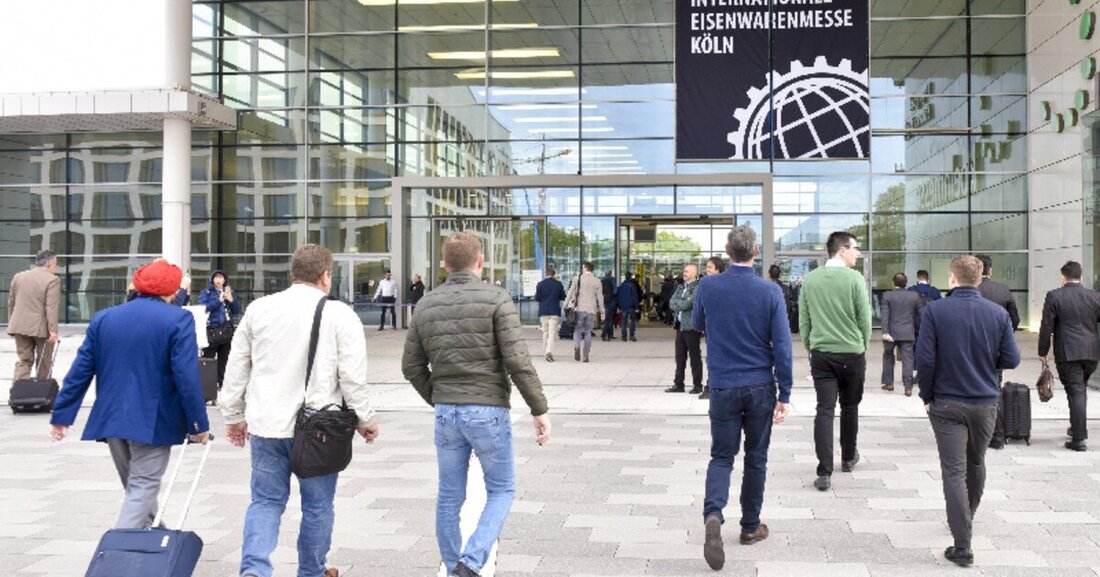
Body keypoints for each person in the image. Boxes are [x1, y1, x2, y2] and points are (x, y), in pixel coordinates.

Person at [220, 244, 379, 577]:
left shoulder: (259, 309)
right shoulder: (340, 314)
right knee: (318, 507)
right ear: (325, 276)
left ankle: (254, 571)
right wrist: (365, 419)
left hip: (267, 426)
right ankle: (311, 571)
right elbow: (351, 376)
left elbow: (236, 368)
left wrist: (234, 416)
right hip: (320, 430)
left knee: (265, 502)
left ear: (293, 273)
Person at [402, 231, 551, 577]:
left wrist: (438, 397)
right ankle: (470, 562)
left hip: (446, 412)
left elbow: (411, 367)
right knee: (501, 489)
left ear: (444, 265)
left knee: (449, 498)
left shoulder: (426, 303)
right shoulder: (497, 299)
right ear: (480, 262)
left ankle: (455, 564)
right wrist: (539, 409)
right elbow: (517, 361)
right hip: (488, 409)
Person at [49, 260, 210, 529]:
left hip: (112, 419)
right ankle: (118, 556)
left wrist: (62, 415)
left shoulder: (105, 318)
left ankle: (153, 539)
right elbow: (186, 376)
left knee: (137, 487)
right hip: (152, 420)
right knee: (142, 486)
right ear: (170, 291)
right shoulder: (178, 318)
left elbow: (81, 370)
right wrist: (198, 425)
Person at [693, 226, 792, 571]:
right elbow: (782, 345)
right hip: (760, 385)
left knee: (721, 456)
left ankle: (713, 514)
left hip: (722, 384)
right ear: (756, 250)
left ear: (726, 250)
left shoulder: (707, 285)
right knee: (756, 457)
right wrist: (786, 392)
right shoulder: (770, 291)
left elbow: (696, 323)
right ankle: (750, 527)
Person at [916, 255, 1020, 567]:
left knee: (953, 471)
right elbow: (1012, 359)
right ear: (980, 279)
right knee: (976, 462)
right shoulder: (997, 313)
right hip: (985, 401)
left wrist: (927, 394)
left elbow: (925, 358)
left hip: (946, 402)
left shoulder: (936, 310)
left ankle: (962, 544)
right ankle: (966, 519)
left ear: (952, 278)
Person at [799, 231, 871, 491]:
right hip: (852, 353)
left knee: (824, 410)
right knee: (850, 407)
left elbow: (804, 319)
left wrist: (810, 344)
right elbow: (865, 318)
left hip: (821, 354)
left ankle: (824, 470)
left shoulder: (811, 279)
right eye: (854, 249)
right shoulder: (854, 279)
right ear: (842, 250)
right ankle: (848, 457)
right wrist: (861, 345)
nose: (857, 254)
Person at [1038, 260, 1100, 451]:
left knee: (1076, 391)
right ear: (1081, 277)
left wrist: (1043, 352)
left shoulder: (1055, 296)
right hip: (1091, 352)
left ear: (1063, 277)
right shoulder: (1094, 297)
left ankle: (1079, 439)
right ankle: (1076, 428)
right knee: (1079, 389)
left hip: (1068, 352)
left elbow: (1047, 326)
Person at [975, 255, 1019, 450]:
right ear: (990, 271)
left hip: (969, 349)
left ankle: (975, 433)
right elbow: (1014, 320)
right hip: (995, 350)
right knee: (994, 389)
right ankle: (996, 435)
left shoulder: (965, 290)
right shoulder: (1003, 290)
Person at [8, 249, 60, 382]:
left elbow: (11, 303)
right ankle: (39, 394)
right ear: (49, 263)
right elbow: (51, 307)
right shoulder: (52, 280)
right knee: (44, 362)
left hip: (19, 326)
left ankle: (18, 393)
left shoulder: (18, 276)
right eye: (55, 263)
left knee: (24, 360)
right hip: (41, 329)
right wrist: (53, 330)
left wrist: (12, 324)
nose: (56, 267)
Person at [881, 272, 923, 396]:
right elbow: (922, 314)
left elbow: (885, 315)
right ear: (906, 283)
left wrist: (885, 331)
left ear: (893, 283)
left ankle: (889, 383)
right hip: (907, 332)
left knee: (888, 356)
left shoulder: (887, 295)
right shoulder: (914, 296)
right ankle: (908, 387)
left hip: (891, 333)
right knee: (908, 359)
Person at [199, 269, 241, 389]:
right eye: (216, 277)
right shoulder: (206, 293)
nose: (218, 280)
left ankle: (223, 386)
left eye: (221, 277)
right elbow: (203, 308)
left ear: (224, 280)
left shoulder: (228, 292)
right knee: (208, 360)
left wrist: (231, 300)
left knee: (225, 361)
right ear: (212, 280)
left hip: (226, 332)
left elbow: (236, 310)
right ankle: (208, 388)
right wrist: (219, 301)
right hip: (212, 331)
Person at [667, 264, 704, 396]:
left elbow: (689, 303)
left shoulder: (698, 287)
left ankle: (697, 385)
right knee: (680, 357)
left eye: (687, 271)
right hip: (680, 326)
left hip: (691, 326)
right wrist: (679, 304)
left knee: (694, 357)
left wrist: (679, 304)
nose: (684, 273)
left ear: (695, 273)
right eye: (684, 271)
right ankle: (678, 384)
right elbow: (671, 301)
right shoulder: (681, 286)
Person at [565, 261, 603, 363]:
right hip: (591, 310)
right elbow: (600, 298)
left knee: (577, 330)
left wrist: (565, 305)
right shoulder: (597, 281)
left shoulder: (577, 279)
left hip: (579, 309)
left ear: (585, 268)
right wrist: (603, 312)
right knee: (588, 332)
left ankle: (577, 346)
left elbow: (570, 293)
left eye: (583, 267)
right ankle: (586, 356)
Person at [534, 266, 567, 362]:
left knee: (545, 332)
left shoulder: (540, 284)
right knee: (552, 333)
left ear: (546, 273)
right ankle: (549, 352)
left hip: (543, 311)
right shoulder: (558, 284)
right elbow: (562, 296)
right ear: (554, 274)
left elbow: (537, 298)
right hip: (554, 311)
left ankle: (545, 351)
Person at [767, 264, 797, 335]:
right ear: (779, 274)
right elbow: (792, 307)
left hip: (769, 327)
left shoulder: (765, 289)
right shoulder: (786, 289)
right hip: (783, 325)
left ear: (769, 274)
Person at [618, 272, 640, 342]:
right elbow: (635, 297)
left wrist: (619, 307)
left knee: (624, 321)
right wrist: (637, 307)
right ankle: (631, 335)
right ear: (630, 277)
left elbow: (619, 297)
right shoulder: (632, 285)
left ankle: (623, 336)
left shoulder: (621, 285)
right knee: (633, 320)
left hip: (624, 307)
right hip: (631, 306)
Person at [600, 269, 618, 341]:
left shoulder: (601, 281)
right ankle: (607, 334)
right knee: (609, 319)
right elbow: (615, 291)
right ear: (610, 274)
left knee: (604, 318)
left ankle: (606, 334)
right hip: (611, 302)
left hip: (603, 302)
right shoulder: (612, 280)